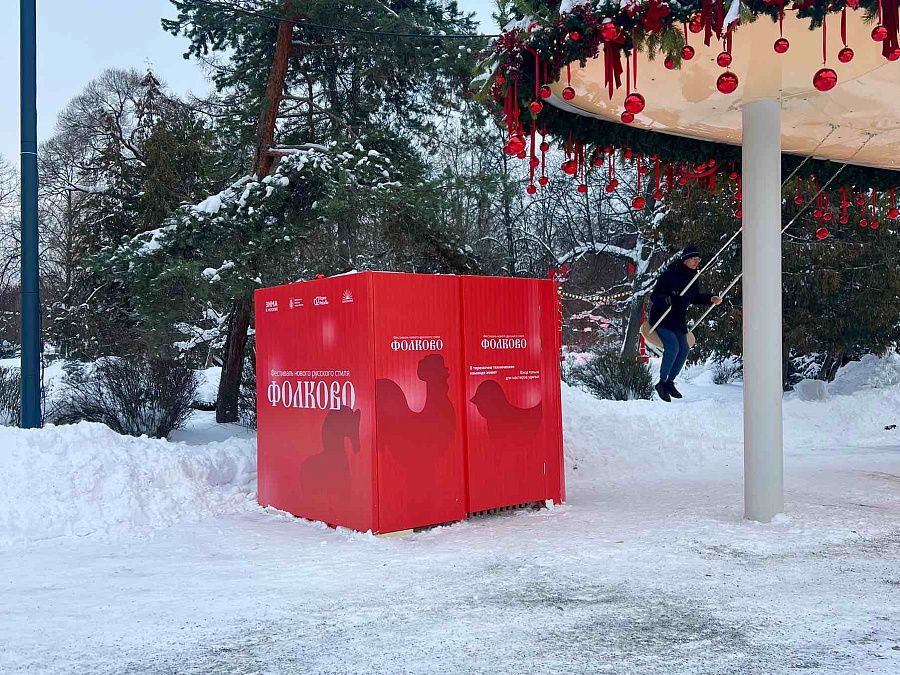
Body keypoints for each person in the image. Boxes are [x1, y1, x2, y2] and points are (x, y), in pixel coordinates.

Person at [648, 245, 722, 402]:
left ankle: (670, 382)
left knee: (684, 349)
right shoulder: (670, 274)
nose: (697, 262)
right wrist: (668, 300)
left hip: (677, 319)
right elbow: (654, 297)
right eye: (694, 259)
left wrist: (710, 299)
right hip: (662, 318)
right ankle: (662, 382)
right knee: (673, 347)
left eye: (698, 259)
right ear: (685, 260)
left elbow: (693, 297)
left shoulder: (693, 277)